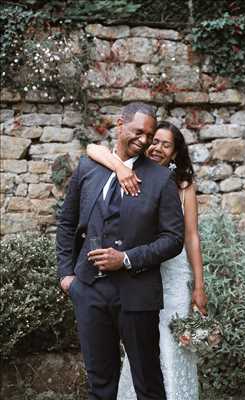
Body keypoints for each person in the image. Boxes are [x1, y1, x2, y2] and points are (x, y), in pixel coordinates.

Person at [56, 103, 184, 400]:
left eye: (149, 135)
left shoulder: (160, 178)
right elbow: (66, 222)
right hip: (88, 290)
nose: (143, 140)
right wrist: (66, 276)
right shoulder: (89, 167)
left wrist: (126, 259)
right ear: (120, 124)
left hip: (137, 295)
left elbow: (173, 238)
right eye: (138, 131)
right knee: (99, 383)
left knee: (148, 384)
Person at [87, 120, 208, 400]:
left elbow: (191, 237)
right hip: (137, 275)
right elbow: (92, 147)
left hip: (172, 276)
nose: (157, 148)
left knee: (168, 343)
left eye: (167, 145)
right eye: (155, 141)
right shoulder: (130, 171)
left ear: (175, 153)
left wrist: (199, 287)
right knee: (139, 345)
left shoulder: (183, 184)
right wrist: (118, 167)